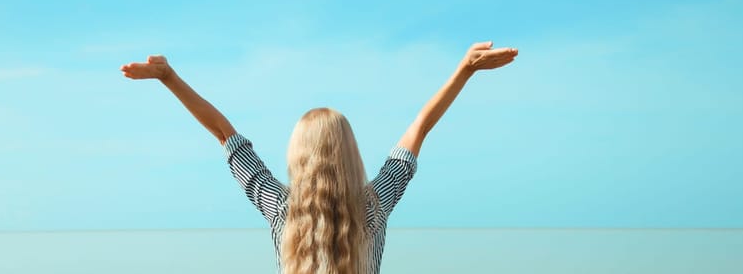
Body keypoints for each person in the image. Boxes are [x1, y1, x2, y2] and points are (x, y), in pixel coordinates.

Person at [120, 42, 518, 274]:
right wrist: (464, 70)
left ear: (298, 156)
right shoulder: (372, 207)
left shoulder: (281, 209)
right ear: (350, 153)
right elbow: (419, 128)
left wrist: (169, 78)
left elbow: (225, 134)